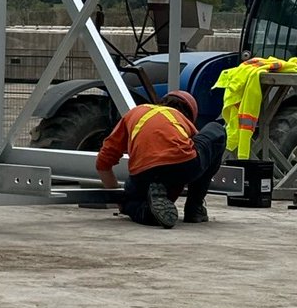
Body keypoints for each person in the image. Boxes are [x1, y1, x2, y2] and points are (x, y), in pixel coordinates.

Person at [96, 89, 227, 228]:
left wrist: (120, 202)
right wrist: (171, 195)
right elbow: (190, 159)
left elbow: (103, 162)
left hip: (142, 173)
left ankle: (144, 211)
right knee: (217, 130)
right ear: (189, 114)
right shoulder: (181, 120)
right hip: (182, 165)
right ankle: (194, 208)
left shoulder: (136, 112)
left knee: (132, 202)